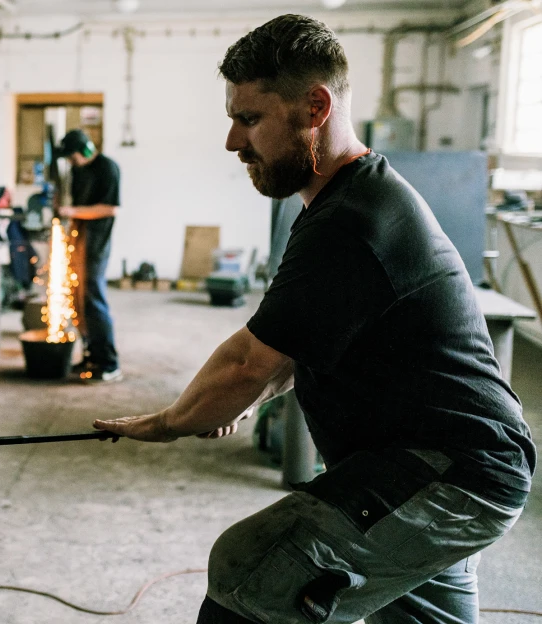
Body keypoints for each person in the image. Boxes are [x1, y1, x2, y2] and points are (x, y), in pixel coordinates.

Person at [94, 14, 535, 624]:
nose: (232, 141)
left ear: (316, 107)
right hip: (453, 465)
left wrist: (167, 422)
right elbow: (292, 351)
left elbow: (249, 362)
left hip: (447, 471)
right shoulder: (349, 200)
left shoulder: (352, 220)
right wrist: (248, 396)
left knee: (248, 570)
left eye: (249, 119)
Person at [57, 129, 122, 383]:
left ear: (85, 149)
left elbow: (110, 208)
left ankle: (109, 362)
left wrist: (71, 210)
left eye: (73, 157)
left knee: (93, 298)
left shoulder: (108, 168)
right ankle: (90, 356)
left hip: (96, 243)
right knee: (77, 300)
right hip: (78, 239)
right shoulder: (77, 169)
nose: (71, 162)